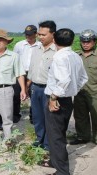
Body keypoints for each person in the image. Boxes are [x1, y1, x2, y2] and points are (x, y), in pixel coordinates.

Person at [40, 28, 88, 175]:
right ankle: (54, 161)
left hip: (58, 100)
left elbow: (64, 80)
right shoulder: (75, 56)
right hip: (67, 100)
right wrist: (73, 90)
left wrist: (54, 97)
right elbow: (83, 79)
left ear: (54, 40)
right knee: (58, 132)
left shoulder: (59, 57)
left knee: (56, 137)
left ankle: (62, 172)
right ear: (73, 41)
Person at [27, 20, 57, 150]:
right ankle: (40, 139)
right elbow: (33, 68)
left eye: (43, 34)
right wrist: (28, 83)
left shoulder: (58, 51)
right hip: (35, 87)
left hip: (49, 89)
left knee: (49, 118)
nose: (40, 37)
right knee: (37, 117)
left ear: (53, 35)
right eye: (39, 34)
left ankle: (48, 143)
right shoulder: (36, 49)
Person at [13, 25, 41, 124]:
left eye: (30, 35)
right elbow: (14, 59)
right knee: (16, 94)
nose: (28, 37)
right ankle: (15, 115)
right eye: (26, 34)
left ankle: (33, 117)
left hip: (35, 72)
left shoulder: (40, 45)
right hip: (20, 72)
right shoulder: (19, 45)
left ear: (36, 34)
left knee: (33, 95)